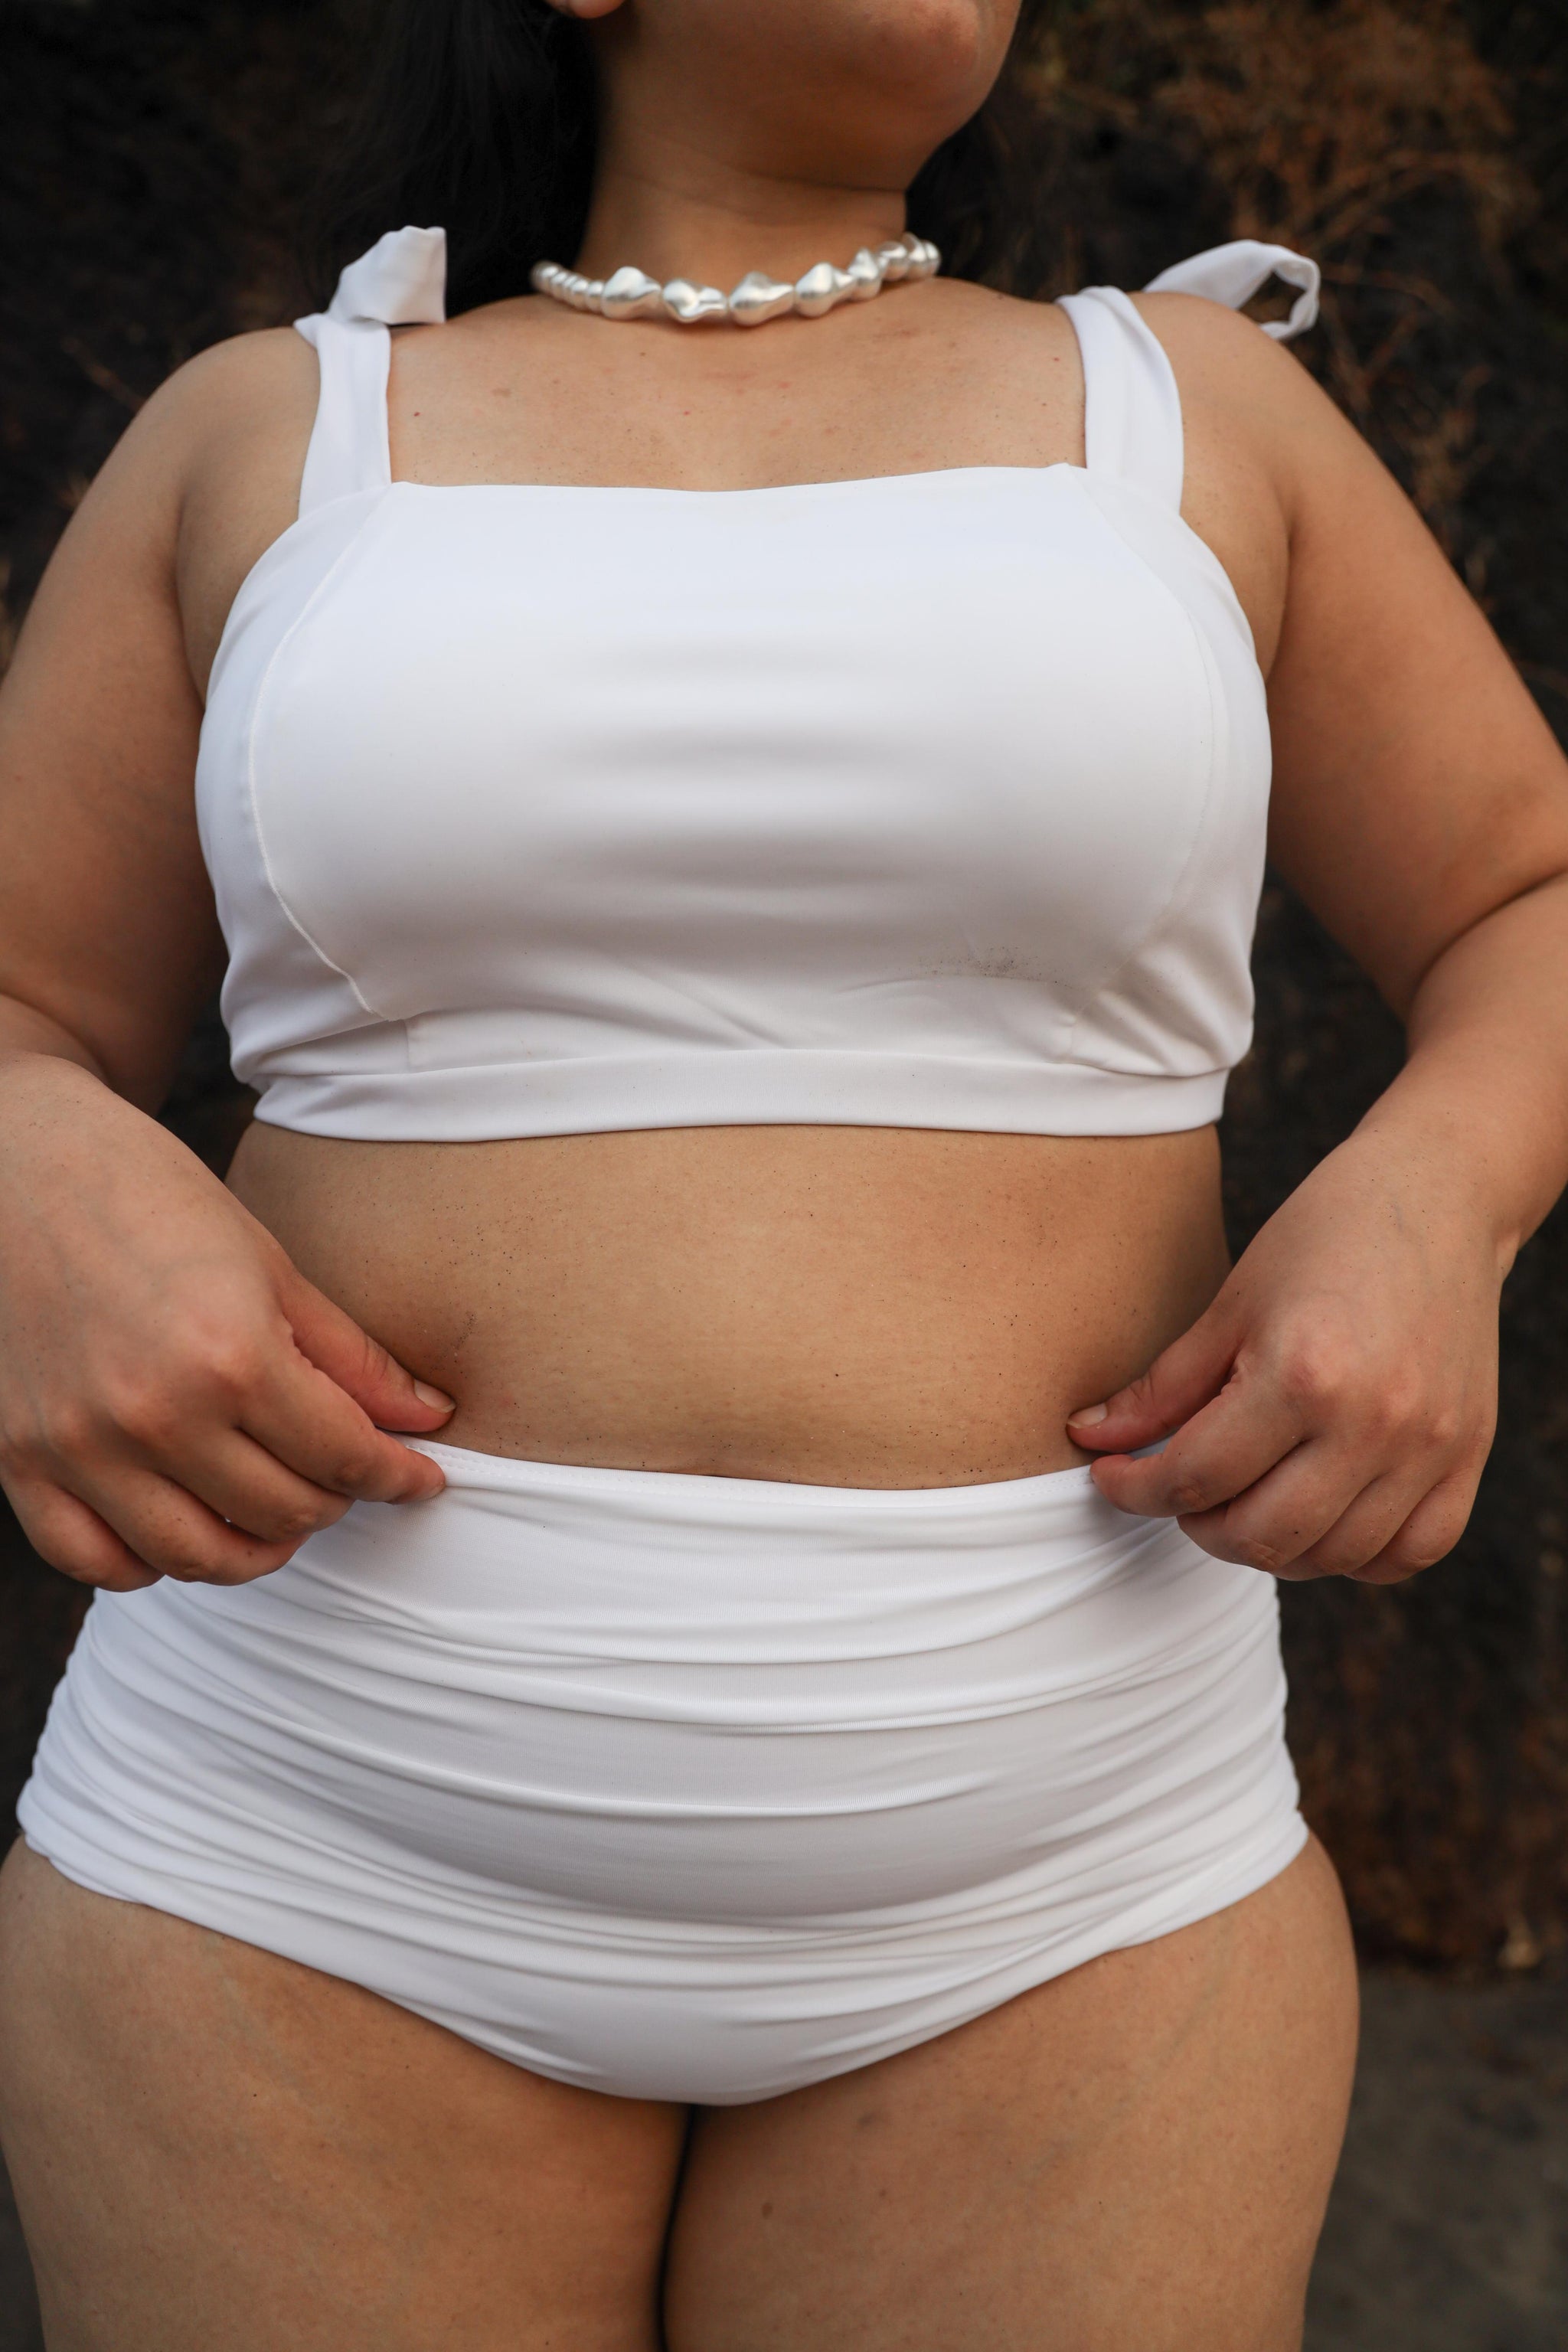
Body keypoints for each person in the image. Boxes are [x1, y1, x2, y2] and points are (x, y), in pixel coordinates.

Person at [2, 0, 1566, 2344]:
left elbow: (1525, 898)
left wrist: (1445, 1187)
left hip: (1074, 1885)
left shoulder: (1194, 407)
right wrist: (30, 1167)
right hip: (300, 1847)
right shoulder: (271, 428)